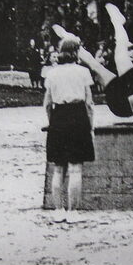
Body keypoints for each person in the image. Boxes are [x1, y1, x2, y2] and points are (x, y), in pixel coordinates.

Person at [43, 37, 95, 223]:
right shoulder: (83, 72)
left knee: (58, 168)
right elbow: (89, 103)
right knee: (75, 169)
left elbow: (47, 103)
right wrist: (90, 126)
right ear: (76, 51)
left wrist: (53, 122)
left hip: (58, 117)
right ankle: (73, 212)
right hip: (77, 116)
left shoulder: (51, 73)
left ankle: (58, 210)